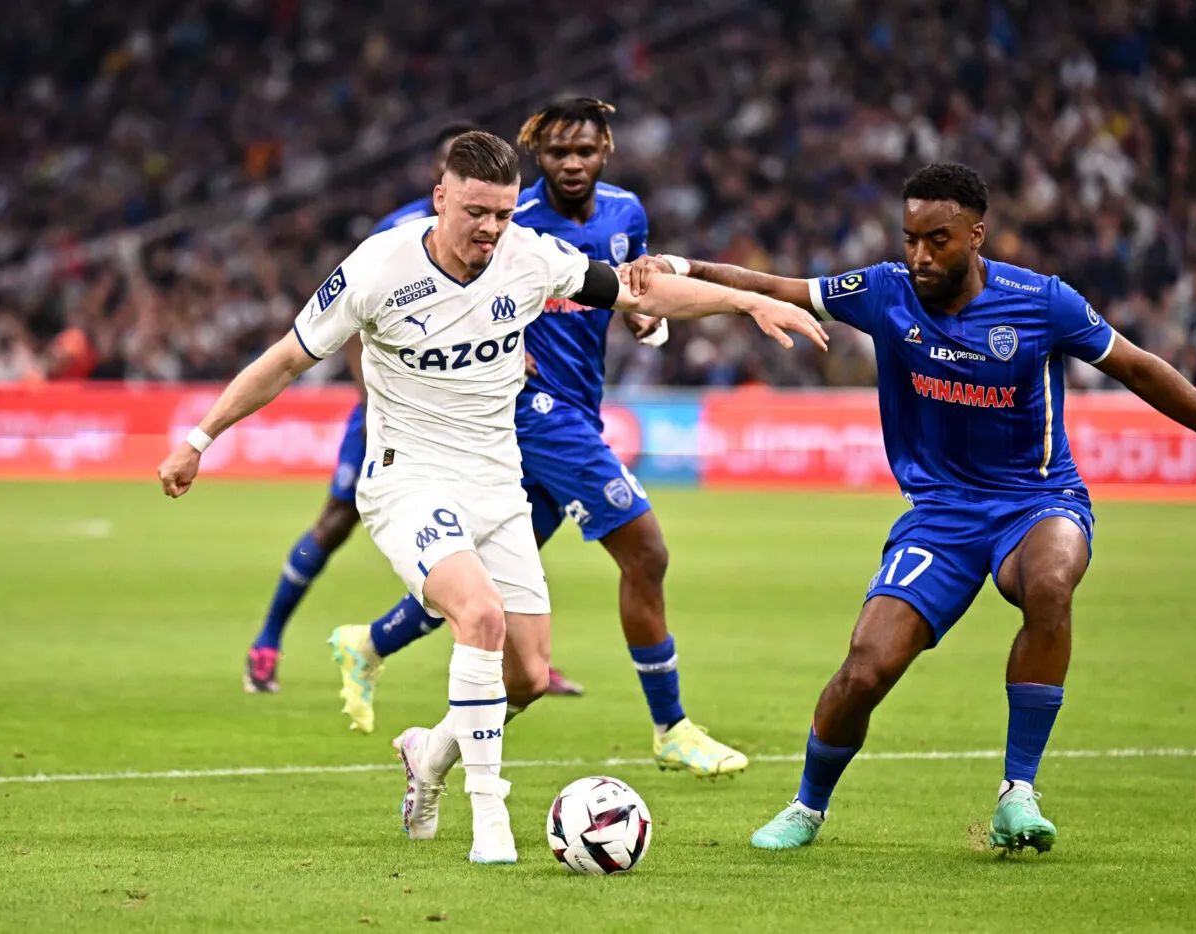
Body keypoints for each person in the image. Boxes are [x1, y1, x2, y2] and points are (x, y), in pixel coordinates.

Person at [157, 131, 826, 865]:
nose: (490, 229)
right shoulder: (379, 267)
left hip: (494, 482)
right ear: (441, 197)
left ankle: (429, 752)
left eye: (503, 213)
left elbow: (639, 288)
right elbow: (288, 356)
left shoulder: (528, 257)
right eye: (476, 211)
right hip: (406, 477)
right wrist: (199, 438)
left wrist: (747, 303)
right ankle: (489, 822)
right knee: (479, 616)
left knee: (529, 676)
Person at [623, 162, 1196, 854]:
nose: (920, 255)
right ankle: (808, 807)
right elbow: (772, 286)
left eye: (938, 239)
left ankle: (1018, 794)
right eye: (909, 238)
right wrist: (682, 264)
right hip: (942, 514)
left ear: (977, 233)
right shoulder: (884, 292)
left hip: (1037, 500)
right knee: (866, 665)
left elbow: (1140, 368)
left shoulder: (1044, 303)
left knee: (1049, 584)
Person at [326, 99, 748, 777]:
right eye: (556, 153)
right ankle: (671, 726)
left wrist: (651, 323)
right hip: (532, 410)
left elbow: (634, 291)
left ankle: (373, 651)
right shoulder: (511, 221)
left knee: (484, 597)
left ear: (606, 147)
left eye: (583, 150)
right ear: (535, 158)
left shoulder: (626, 213)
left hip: (580, 403)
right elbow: (443, 276)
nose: (571, 164)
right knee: (646, 550)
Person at [243, 120, 477, 694]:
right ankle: (268, 639)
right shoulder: (396, 232)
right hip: (388, 408)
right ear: (436, 175)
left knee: (487, 536)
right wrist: (372, 401)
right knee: (335, 522)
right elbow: (351, 324)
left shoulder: (499, 234)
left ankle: (514, 657)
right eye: (457, 164)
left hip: (462, 414)